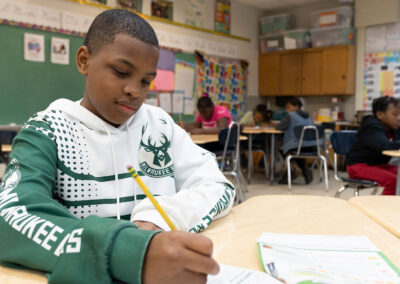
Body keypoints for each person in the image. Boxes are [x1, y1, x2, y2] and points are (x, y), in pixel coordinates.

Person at [0, 9, 235, 284]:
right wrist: (128, 251)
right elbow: (11, 217)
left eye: (145, 81)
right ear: (84, 60)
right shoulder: (47, 130)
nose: (134, 90)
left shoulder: (160, 126)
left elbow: (219, 185)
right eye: (121, 72)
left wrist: (158, 219)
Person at [347, 96, 400, 195]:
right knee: (393, 181)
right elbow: (385, 146)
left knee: (398, 178)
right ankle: (381, 209)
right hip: (358, 166)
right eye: (395, 114)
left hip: (379, 165)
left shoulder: (394, 127)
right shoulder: (372, 127)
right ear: (380, 114)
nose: (399, 118)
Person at [276, 97, 315, 184]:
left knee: (282, 148)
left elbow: (279, 127)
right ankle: (302, 171)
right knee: (291, 150)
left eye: (289, 107)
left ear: (296, 107)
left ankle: (291, 172)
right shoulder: (308, 116)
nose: (287, 110)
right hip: (313, 146)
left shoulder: (290, 116)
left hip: (297, 146)